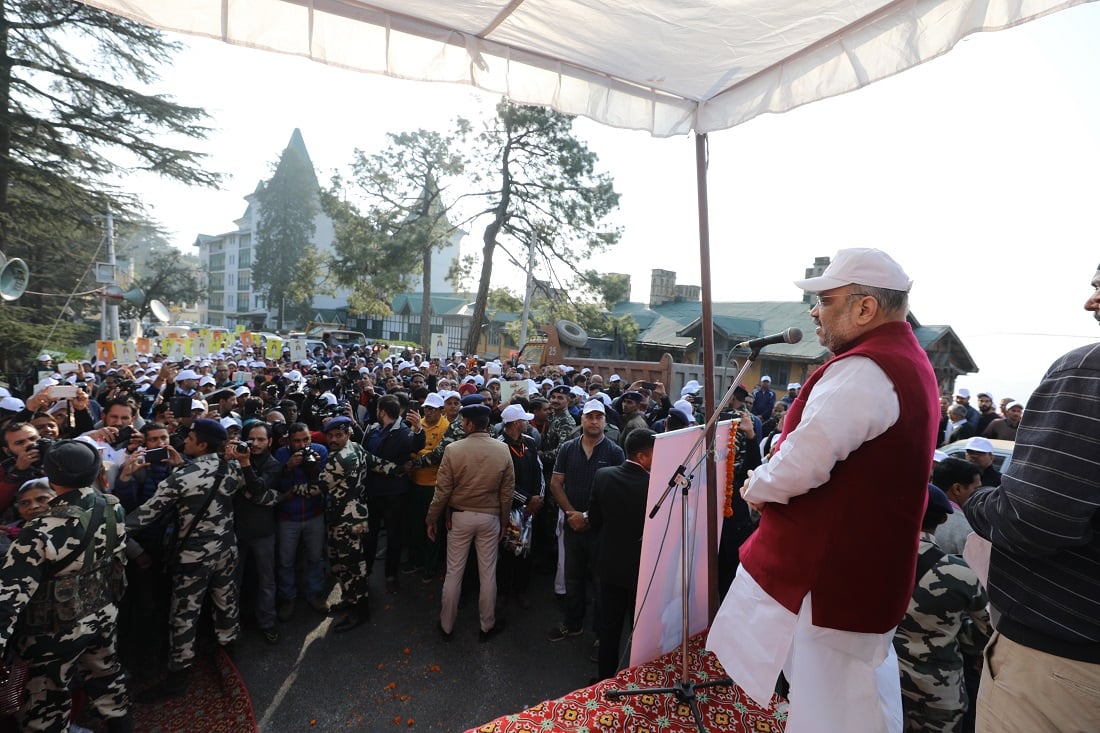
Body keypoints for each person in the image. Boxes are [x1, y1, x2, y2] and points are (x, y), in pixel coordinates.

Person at [708, 247, 939, 733]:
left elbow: (803, 462)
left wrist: (758, 484)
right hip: (860, 569)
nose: (815, 311)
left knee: (831, 709)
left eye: (826, 300)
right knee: (852, 699)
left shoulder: (867, 369)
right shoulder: (904, 360)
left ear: (864, 308)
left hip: (832, 574)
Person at [961, 263, 1100, 732]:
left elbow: (1033, 521)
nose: (1090, 302)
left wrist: (976, 500)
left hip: (1063, 669)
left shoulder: (1089, 371)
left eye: (1099, 285)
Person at [0, 440, 133, 732]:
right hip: (101, 615)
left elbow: (8, 600)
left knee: (46, 707)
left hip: (52, 633)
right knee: (108, 681)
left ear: (51, 478)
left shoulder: (37, 530)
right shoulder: (112, 506)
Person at [125, 418, 243, 701]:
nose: (184, 441)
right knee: (226, 602)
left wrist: (106, 526)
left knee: (183, 616)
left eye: (190, 438)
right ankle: (231, 656)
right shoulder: (233, 467)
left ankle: (178, 677)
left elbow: (144, 516)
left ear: (201, 444)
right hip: (226, 550)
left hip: (193, 559)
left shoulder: (181, 477)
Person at [894, 484, 990, 733]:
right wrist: (953, 630)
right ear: (945, 518)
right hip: (939, 692)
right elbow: (987, 632)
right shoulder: (960, 573)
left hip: (885, 681)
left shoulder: (872, 561)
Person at [426, 403, 514, 642]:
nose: (461, 424)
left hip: (460, 517)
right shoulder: (502, 449)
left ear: (469, 424)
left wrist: (432, 518)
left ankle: (446, 625)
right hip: (490, 517)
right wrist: (504, 522)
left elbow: (442, 491)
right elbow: (507, 493)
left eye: (463, 421)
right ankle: (487, 625)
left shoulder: (454, 449)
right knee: (488, 574)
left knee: (454, 572)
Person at [547, 400, 625, 643]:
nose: (593, 421)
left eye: (598, 417)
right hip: (573, 525)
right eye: (589, 417)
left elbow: (617, 493)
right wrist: (572, 514)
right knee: (573, 578)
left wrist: (588, 518)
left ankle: (601, 635)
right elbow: (556, 483)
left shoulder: (614, 452)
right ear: (581, 420)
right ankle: (573, 624)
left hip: (600, 529)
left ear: (604, 421)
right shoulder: (568, 448)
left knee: (601, 583)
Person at [588, 428, 654, 681]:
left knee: (609, 626)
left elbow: (594, 520)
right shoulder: (654, 485)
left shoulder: (603, 476)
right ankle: (638, 679)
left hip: (609, 563)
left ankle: (606, 679)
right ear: (642, 457)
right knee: (640, 629)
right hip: (642, 567)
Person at [233, 421, 282, 644]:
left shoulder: (273, 465)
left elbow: (258, 488)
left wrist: (244, 464)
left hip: (263, 531)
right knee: (233, 581)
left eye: (262, 439)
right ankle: (231, 626)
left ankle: (267, 622)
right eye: (252, 439)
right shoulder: (236, 458)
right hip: (235, 530)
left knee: (266, 580)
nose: (256, 443)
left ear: (270, 442)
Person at [497, 403, 544, 608]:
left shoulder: (530, 442)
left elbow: (538, 471)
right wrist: (527, 499)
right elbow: (501, 482)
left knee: (525, 551)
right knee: (507, 551)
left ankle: (520, 589)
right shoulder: (498, 446)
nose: (528, 422)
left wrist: (538, 497)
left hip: (529, 509)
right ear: (515, 423)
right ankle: (503, 591)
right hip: (509, 509)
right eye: (524, 420)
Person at [931, 457, 981, 556]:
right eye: (976, 488)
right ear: (957, 489)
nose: (979, 494)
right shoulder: (967, 531)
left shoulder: (919, 513)